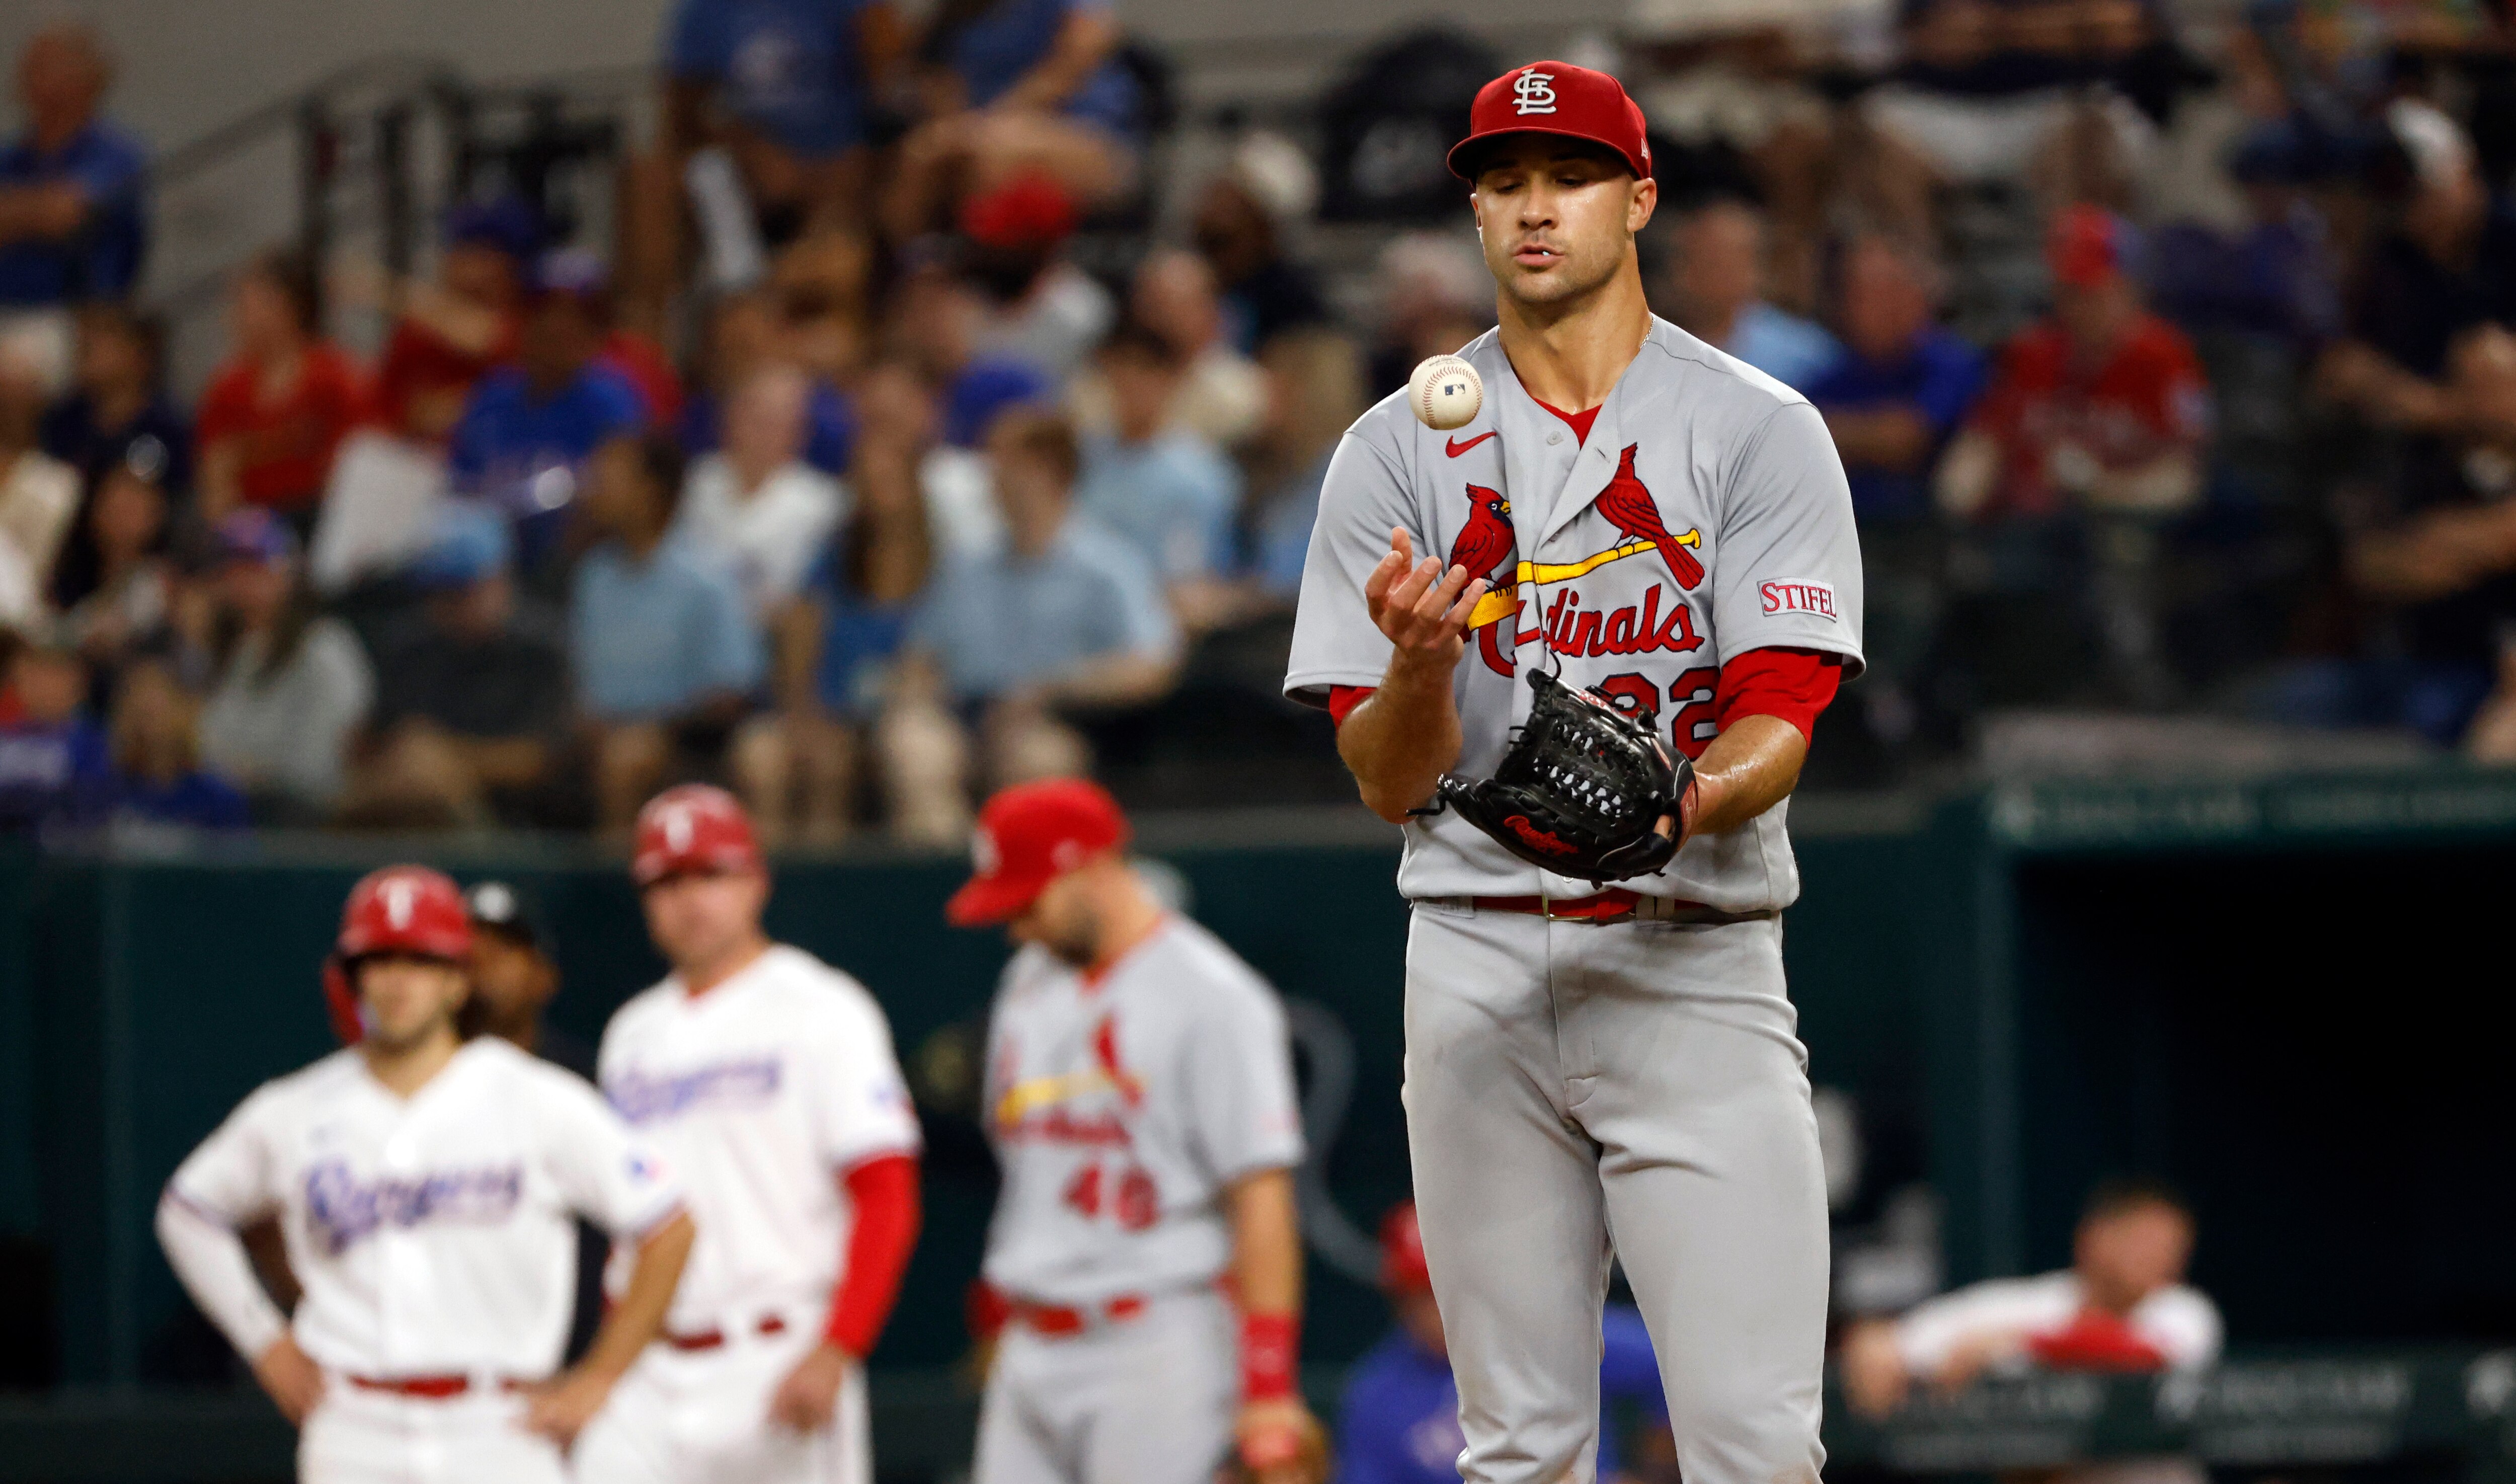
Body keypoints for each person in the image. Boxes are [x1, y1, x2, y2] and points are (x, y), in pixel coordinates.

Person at [1286, 61, 1864, 1484]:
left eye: (1569, 176)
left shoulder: (1755, 426)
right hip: (1475, 958)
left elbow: (1782, 712)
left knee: (1755, 1442)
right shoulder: (1391, 453)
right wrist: (1421, 666)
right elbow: (1380, 775)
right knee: (1520, 1447)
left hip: (1696, 956)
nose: (1534, 208)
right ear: (1476, 210)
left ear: (1640, 197)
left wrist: (1690, 800)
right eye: (1503, 181)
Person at [154, 866, 698, 1484]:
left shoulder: (533, 1096)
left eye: (420, 960)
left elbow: (668, 1222)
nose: (397, 981)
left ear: (457, 980)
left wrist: (600, 1377)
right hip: (354, 1425)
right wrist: (264, 1341)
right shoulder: (297, 1109)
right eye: (379, 960)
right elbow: (188, 1210)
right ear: (353, 977)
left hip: (498, 1424)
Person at [947, 777, 1321, 1484]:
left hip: (1154, 1342)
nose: (1016, 926)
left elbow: (1262, 1197)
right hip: (1032, 1340)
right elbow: (1026, 1166)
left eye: (1028, 903)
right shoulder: (1028, 981)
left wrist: (1269, 1387)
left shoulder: (1215, 996)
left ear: (1089, 867)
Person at [574, 785, 924, 1484]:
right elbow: (630, 1223)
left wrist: (838, 1348)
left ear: (756, 881)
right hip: (650, 1366)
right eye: (667, 881)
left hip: (774, 1349)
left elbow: (886, 1193)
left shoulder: (822, 1008)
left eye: (712, 874)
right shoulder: (631, 1035)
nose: (690, 899)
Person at [881, 409, 1177, 843]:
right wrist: (917, 694)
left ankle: (1026, 890)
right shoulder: (965, 564)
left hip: (1057, 717)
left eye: (1006, 464)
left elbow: (1152, 664)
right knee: (913, 745)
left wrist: (1051, 690)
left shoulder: (1108, 564)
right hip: (966, 712)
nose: (993, 479)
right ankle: (943, 885)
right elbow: (922, 655)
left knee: (1036, 760)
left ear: (1050, 472)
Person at [736, 359, 938, 845]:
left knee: (914, 749)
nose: (880, 494)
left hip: (906, 711)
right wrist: (803, 713)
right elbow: (800, 640)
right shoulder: (828, 559)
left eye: (891, 480)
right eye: (869, 480)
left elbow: (934, 657)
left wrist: (899, 701)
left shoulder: (939, 564)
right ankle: (794, 894)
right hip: (829, 711)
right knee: (786, 758)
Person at [1334, 1204, 1672, 1484]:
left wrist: (1653, 1472)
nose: (1442, 1306)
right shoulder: (1376, 1394)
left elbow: (1669, 1364)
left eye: (1452, 1285)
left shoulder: (1544, 1333)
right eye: (1425, 1292)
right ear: (1399, 1299)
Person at [1837, 1181, 2219, 1416]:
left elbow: (2136, 1354)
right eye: (2144, 1241)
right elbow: (1896, 1343)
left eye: (2173, 1246)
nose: (2160, 1257)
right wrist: (1877, 1341)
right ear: (2094, 1237)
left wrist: (2017, 1343)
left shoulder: (2184, 1310)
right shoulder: (2041, 1302)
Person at [569, 434, 766, 829]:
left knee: (626, 757)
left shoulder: (707, 578)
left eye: (611, 477)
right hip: (598, 735)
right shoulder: (594, 576)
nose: (595, 489)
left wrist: (656, 728)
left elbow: (730, 690)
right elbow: (582, 680)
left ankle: (623, 887)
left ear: (651, 491)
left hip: (686, 737)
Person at [344, 507, 570, 828]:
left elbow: (539, 761)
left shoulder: (542, 648)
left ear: (500, 580)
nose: (447, 606)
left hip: (521, 825)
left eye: (460, 591)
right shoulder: (412, 647)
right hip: (413, 806)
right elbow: (376, 741)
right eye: (436, 592)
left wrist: (444, 758)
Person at [465, 878, 608, 1365]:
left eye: (505, 950)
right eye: (469, 954)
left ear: (545, 976)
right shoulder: (415, 1089)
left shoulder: (589, 1085)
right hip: (447, 1361)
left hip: (570, 1356)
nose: (483, 966)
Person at [446, 252, 649, 571]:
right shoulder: (492, 398)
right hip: (488, 571)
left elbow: (625, 509)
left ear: (597, 333)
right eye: (545, 312)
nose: (557, 326)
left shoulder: (613, 405)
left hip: (577, 572)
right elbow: (458, 490)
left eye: (576, 317)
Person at [195, 510, 375, 822]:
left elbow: (318, 772)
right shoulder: (227, 652)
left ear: (288, 573)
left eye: (256, 569)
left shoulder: (325, 647)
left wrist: (238, 772)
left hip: (302, 821)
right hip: (231, 814)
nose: (242, 583)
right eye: (232, 570)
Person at [0, 23, 147, 384]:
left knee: (17, 371)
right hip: (6, 308)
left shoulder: (116, 154)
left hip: (77, 320)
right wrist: (40, 210)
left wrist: (19, 212)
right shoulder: (13, 158)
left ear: (88, 77)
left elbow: (66, 213)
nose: (29, 75)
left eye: (47, 64)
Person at [194, 251, 367, 528]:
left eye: (247, 305)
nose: (236, 318)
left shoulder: (336, 378)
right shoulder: (228, 388)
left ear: (288, 306)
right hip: (251, 525)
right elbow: (216, 477)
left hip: (319, 518)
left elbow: (354, 467)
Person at [1072, 324, 1241, 592]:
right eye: (1119, 370)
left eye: (1143, 371)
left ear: (1170, 380)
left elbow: (1187, 578)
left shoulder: (1199, 474)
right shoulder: (1083, 457)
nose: (1129, 384)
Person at [672, 363, 847, 620]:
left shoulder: (825, 503)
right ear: (729, 416)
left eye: (781, 417)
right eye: (756, 413)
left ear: (801, 429)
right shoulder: (694, 482)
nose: (765, 429)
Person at [367, 198, 537, 444]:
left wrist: (387, 291)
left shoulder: (528, 323)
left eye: (484, 255)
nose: (469, 267)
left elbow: (484, 337)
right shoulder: (416, 333)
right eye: (463, 251)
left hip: (503, 464)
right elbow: (385, 413)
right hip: (417, 463)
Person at [1656, 194, 1841, 394]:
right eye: (1693, 260)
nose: (1696, 275)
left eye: (1719, 262)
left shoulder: (1806, 356)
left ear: (1756, 271)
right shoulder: (1650, 350)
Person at [39, 303, 190, 496]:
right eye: (84, 340)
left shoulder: (166, 428)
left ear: (140, 354)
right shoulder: (63, 420)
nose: (89, 347)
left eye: (105, 337)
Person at [105, 657, 248, 832]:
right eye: (144, 714)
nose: (150, 725)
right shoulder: (110, 792)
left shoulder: (218, 798)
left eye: (158, 712)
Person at [0, 632, 110, 829]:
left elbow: (87, 806)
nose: (44, 685)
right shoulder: (6, 738)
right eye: (35, 673)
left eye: (55, 674)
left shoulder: (94, 743)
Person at [0, 347, 76, 615]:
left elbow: (40, 576)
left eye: (19, 398)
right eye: (4, 398)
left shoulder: (59, 485)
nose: (9, 410)